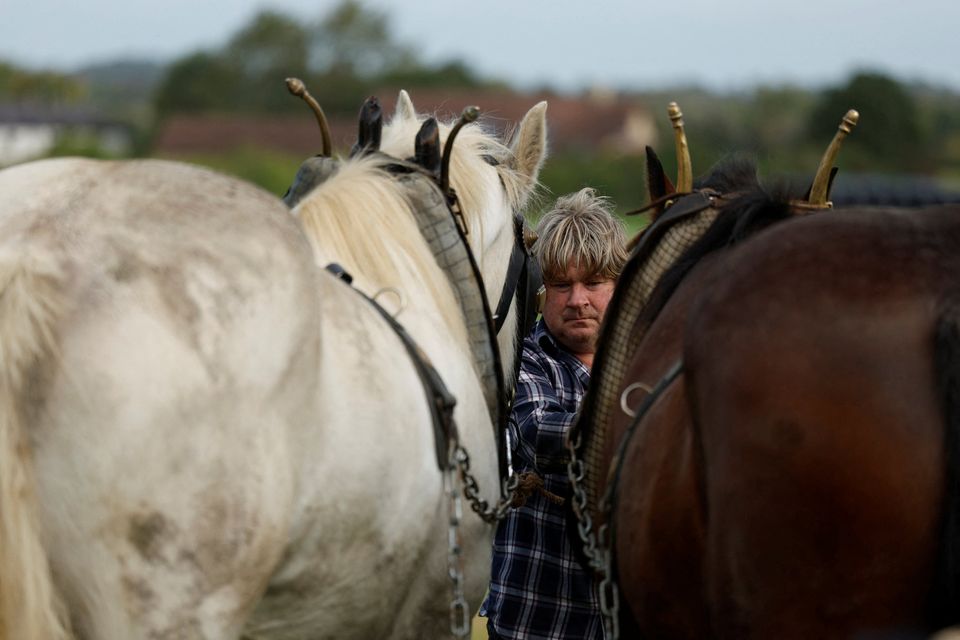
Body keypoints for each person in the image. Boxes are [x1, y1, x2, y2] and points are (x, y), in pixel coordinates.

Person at [483, 187, 628, 639]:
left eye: (594, 283)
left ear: (620, 286)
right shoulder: (522, 360)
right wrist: (644, 430)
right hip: (539, 615)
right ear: (541, 293)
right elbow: (538, 432)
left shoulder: (643, 360)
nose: (578, 299)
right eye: (562, 285)